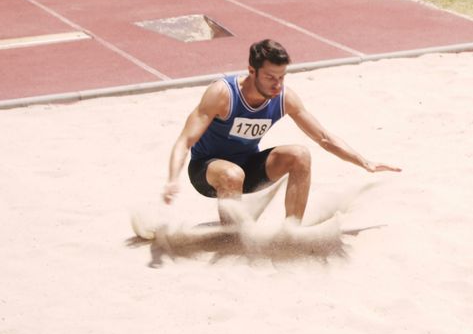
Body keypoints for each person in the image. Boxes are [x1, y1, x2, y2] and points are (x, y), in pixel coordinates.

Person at [162, 39, 399, 226]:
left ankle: (291, 231)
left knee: (300, 154)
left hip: (249, 168)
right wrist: (173, 180)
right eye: (270, 77)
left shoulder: (284, 97)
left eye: (282, 77)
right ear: (251, 72)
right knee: (232, 174)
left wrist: (364, 162)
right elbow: (185, 141)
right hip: (207, 172)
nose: (277, 84)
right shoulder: (222, 94)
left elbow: (323, 138)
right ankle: (231, 237)